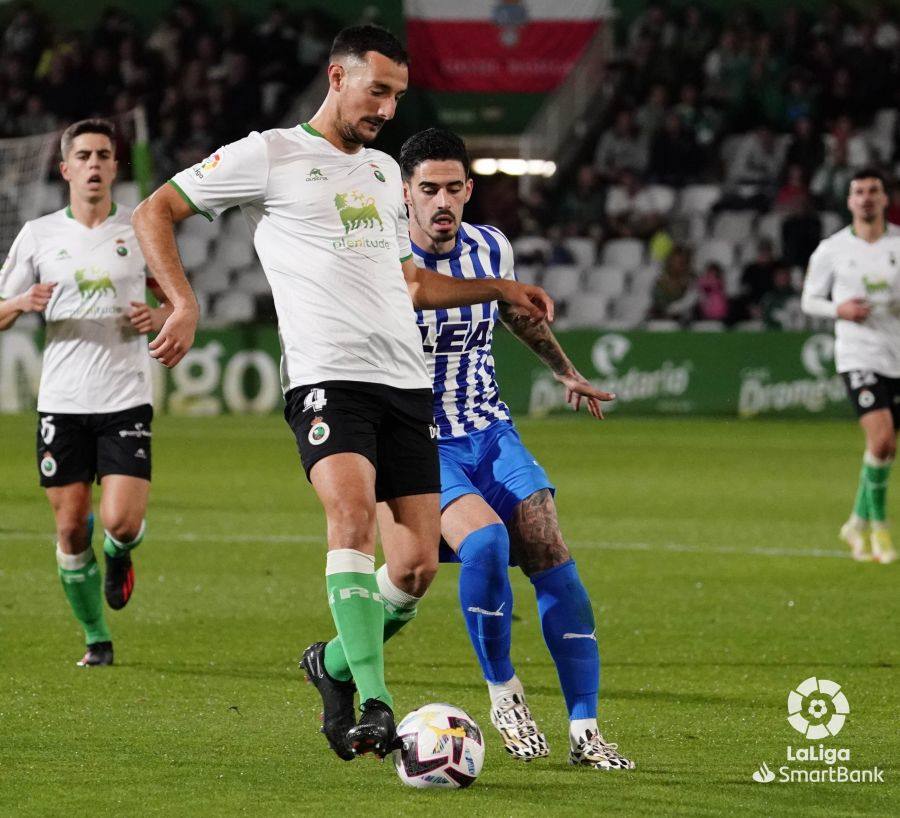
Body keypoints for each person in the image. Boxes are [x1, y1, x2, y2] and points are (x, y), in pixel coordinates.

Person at [130, 25, 552, 759]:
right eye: (377, 90)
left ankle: (329, 666)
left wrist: (497, 285)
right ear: (337, 76)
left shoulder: (387, 173)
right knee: (350, 515)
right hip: (328, 377)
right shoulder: (271, 153)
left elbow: (411, 281)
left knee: (416, 569)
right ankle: (378, 703)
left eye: (396, 96)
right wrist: (183, 302)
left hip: (403, 384)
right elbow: (153, 212)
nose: (387, 108)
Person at [396, 126, 634, 769]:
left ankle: (586, 730)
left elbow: (516, 314)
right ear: (405, 193)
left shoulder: (489, 246)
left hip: (490, 429)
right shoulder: (385, 255)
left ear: (470, 189)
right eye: (428, 189)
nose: (442, 201)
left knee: (552, 550)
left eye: (453, 187)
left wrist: (562, 368)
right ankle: (504, 692)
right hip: (419, 439)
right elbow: (419, 292)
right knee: (487, 542)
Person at [0, 118, 172, 666]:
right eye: (85, 155)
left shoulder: (140, 230)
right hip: (62, 402)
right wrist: (23, 302)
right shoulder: (39, 234)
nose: (95, 164)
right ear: (66, 168)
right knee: (71, 530)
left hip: (124, 397)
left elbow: (178, 302)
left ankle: (120, 553)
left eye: (104, 154)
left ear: (116, 167)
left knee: (119, 522)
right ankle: (96, 637)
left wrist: (160, 313)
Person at [801, 168, 899, 563]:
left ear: (885, 199)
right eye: (859, 192)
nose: (866, 198)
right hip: (858, 353)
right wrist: (838, 308)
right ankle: (880, 529)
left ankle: (855, 523)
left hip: (896, 353)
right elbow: (809, 300)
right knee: (882, 440)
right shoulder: (832, 249)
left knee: (882, 450)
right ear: (849, 201)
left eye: (873, 191)